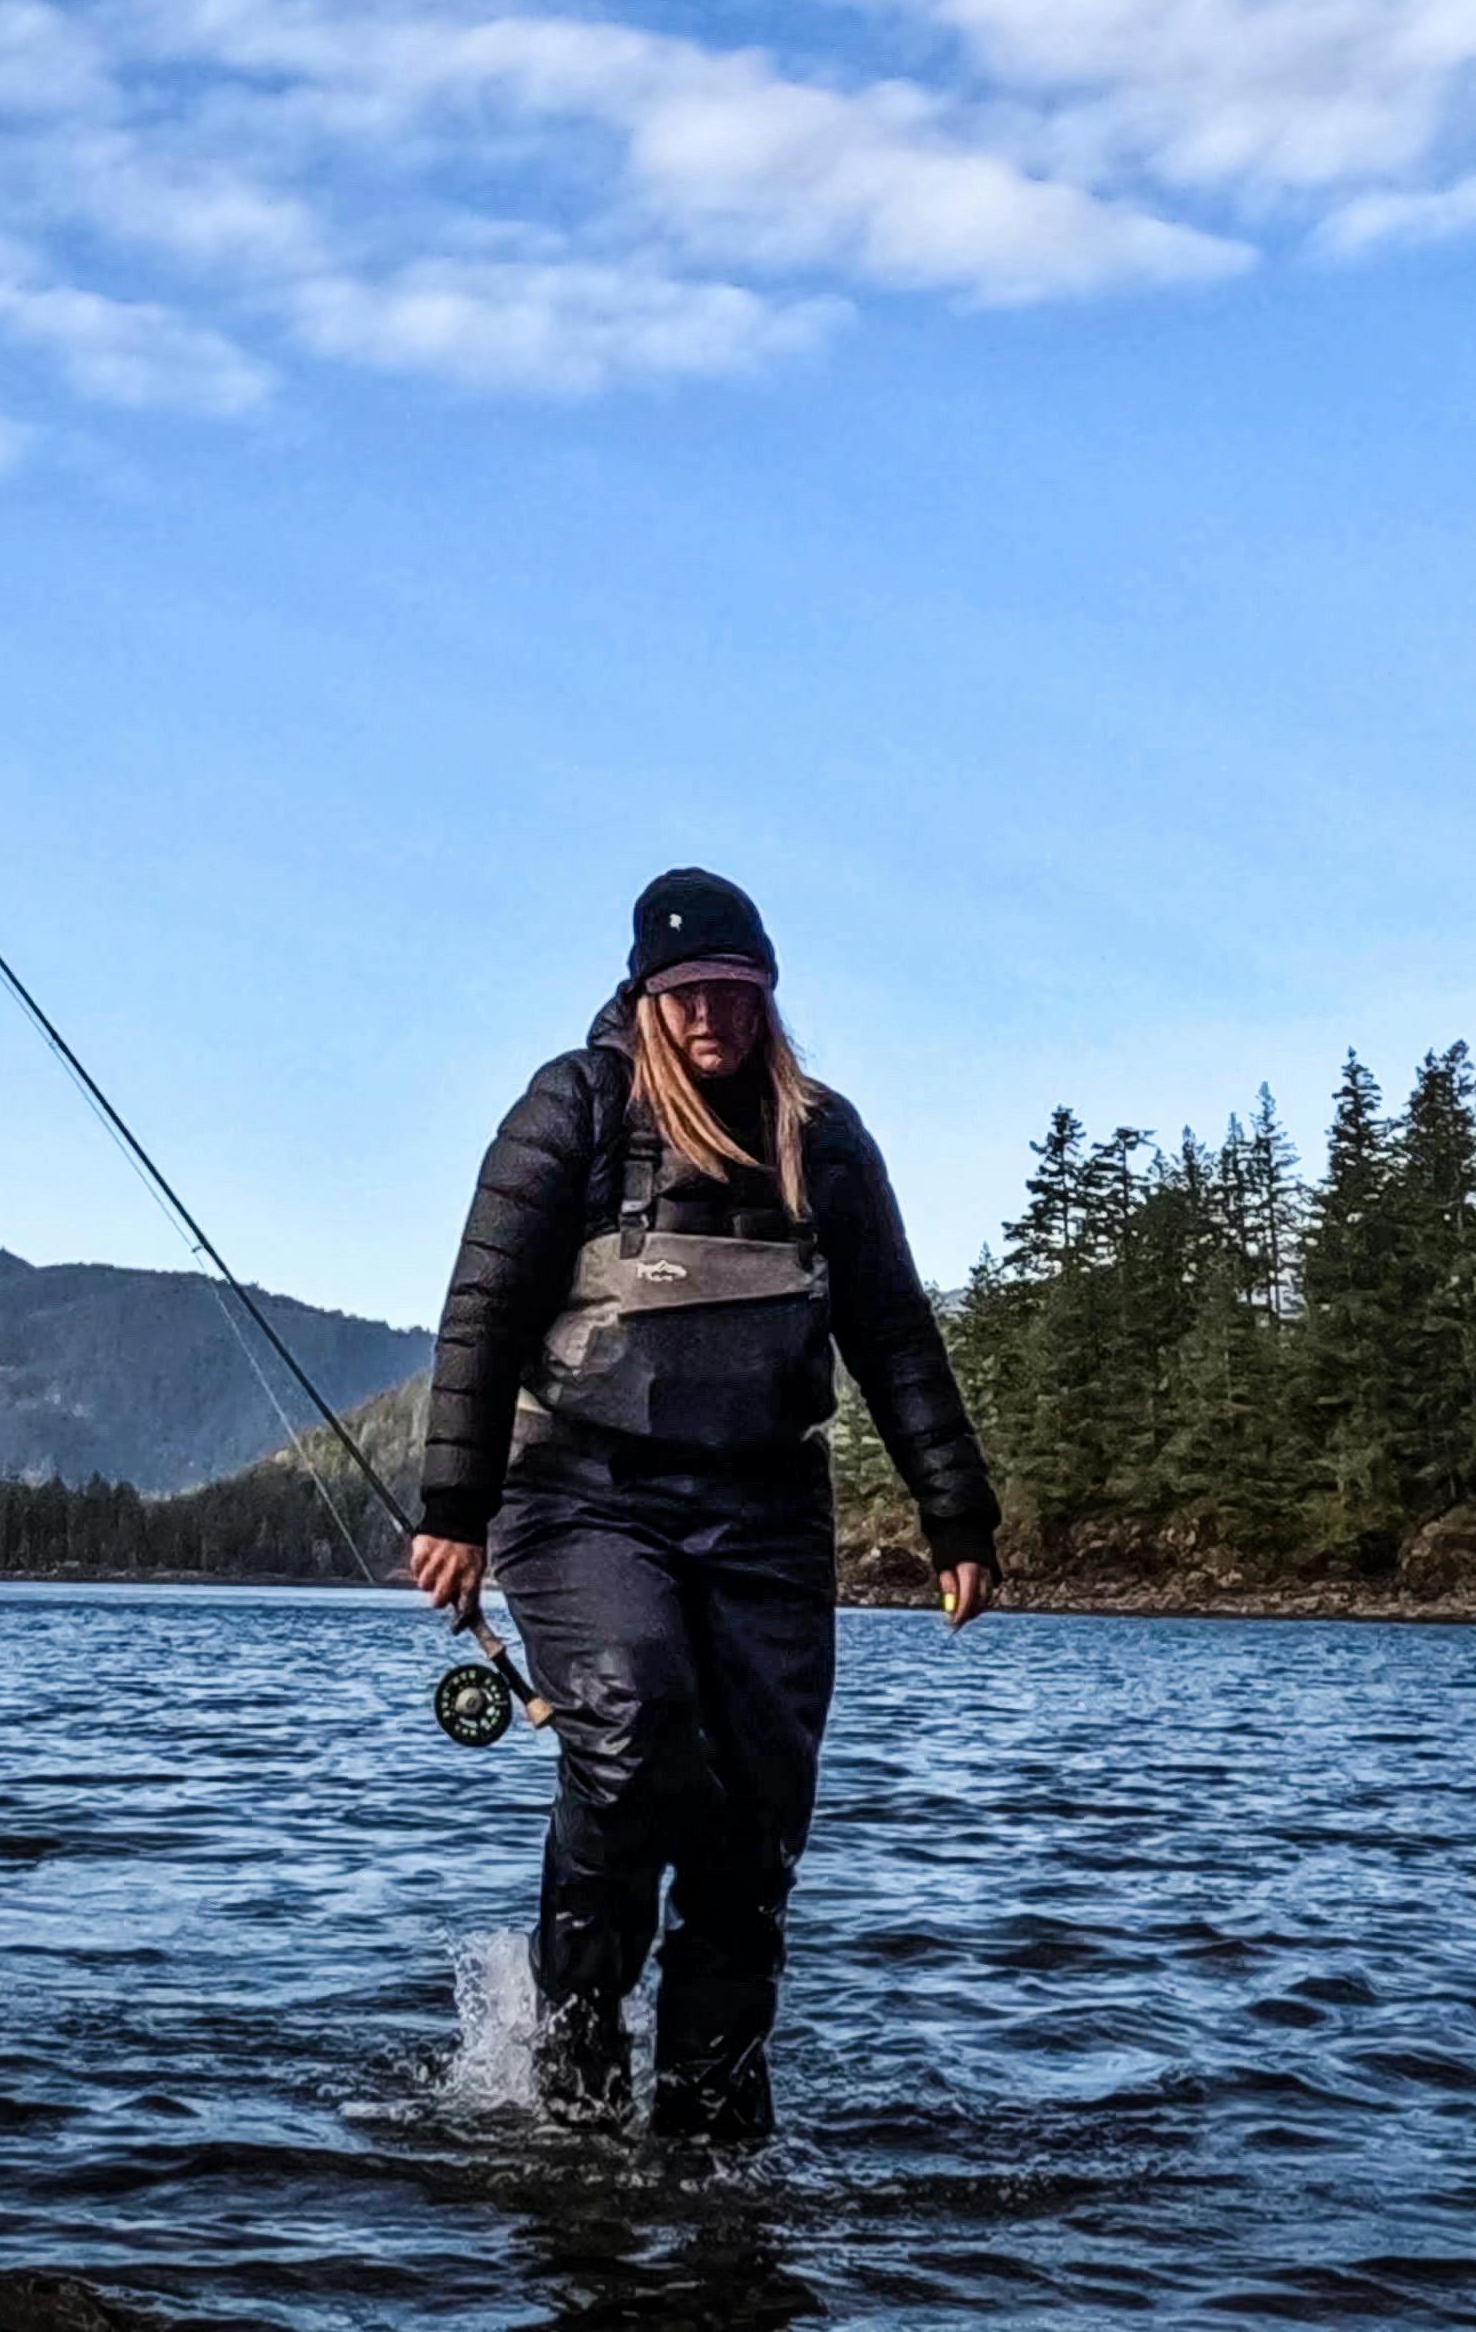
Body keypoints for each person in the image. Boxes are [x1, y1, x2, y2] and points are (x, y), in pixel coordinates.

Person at [402, 865, 997, 2142]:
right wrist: (451, 1509)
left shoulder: (822, 1137)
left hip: (766, 1510)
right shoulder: (572, 1107)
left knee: (754, 1815)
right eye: (684, 994)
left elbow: (892, 1334)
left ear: (765, 994)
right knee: (629, 1735)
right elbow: (483, 1315)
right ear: (644, 1000)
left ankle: (712, 2127)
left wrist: (955, 1515)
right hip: (580, 1495)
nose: (710, 1015)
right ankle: (572, 2075)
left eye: (732, 989)